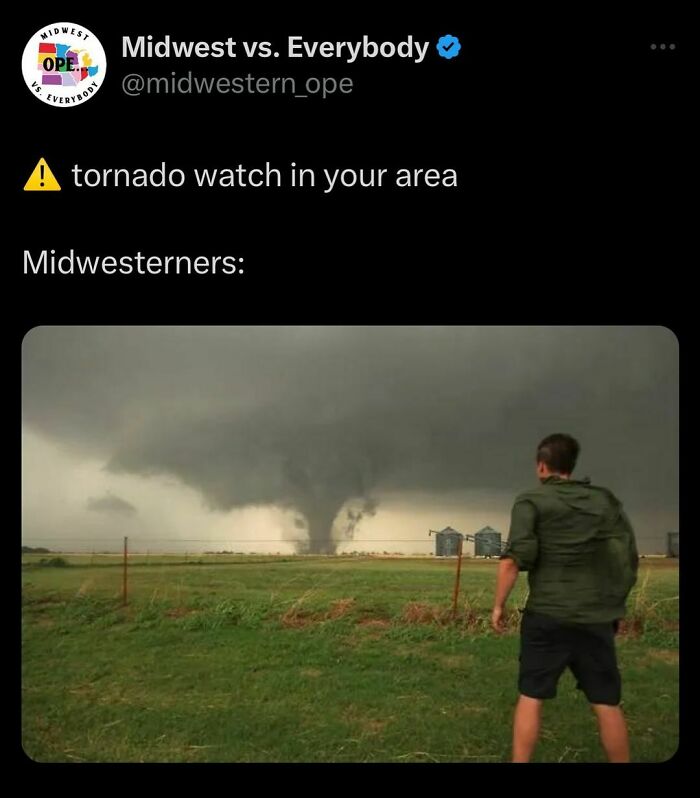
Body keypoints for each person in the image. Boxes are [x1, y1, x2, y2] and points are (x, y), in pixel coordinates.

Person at [491, 433, 639, 763]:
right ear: (571, 466)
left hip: (546, 616)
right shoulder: (605, 502)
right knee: (607, 702)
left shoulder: (530, 501)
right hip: (595, 619)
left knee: (530, 695)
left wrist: (499, 605)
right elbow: (625, 558)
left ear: (542, 466)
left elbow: (514, 560)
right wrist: (613, 607)